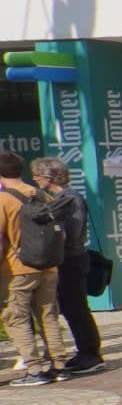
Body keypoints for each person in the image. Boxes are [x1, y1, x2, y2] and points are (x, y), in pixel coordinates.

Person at [2, 152, 74, 387]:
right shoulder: (40, 194)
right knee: (48, 315)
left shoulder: (3, 200)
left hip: (17, 268)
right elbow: (60, 232)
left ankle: (34, 369)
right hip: (48, 266)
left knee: (15, 318)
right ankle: (59, 365)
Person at [30, 157, 105, 373]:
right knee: (72, 308)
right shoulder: (65, 197)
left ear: (49, 177)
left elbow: (40, 217)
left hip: (72, 259)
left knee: (77, 308)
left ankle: (90, 354)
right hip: (69, 258)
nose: (35, 180)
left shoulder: (68, 198)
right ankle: (85, 352)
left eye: (37, 176)